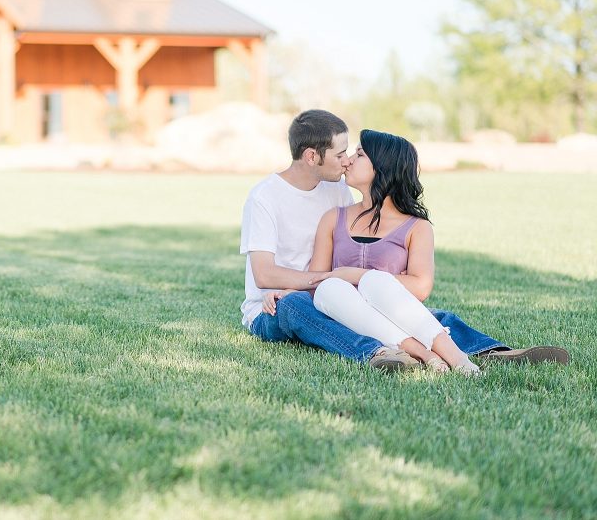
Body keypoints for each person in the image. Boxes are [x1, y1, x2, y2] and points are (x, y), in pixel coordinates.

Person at [240, 109, 569, 370]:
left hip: (338, 293)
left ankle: (491, 351)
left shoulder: (336, 190)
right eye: (341, 154)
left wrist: (354, 283)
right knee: (299, 306)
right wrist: (315, 283)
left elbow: (377, 258)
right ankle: (377, 352)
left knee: (413, 312)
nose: (347, 160)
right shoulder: (266, 198)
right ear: (312, 157)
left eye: (354, 153)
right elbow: (266, 275)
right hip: (280, 303)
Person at [310, 130, 479, 374]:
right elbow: (316, 280)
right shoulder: (333, 218)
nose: (348, 160)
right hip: (345, 313)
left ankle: (458, 358)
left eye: (359, 154)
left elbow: (421, 287)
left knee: (374, 282)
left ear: (383, 167)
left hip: (395, 311)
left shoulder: (417, 226)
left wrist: (355, 275)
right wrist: (287, 292)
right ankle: (425, 353)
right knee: (328, 288)